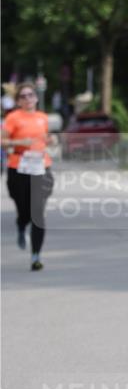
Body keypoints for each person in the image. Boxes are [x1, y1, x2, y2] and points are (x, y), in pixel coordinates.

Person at [1, 81, 55, 271]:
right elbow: (2, 141)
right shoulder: (13, 118)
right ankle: (21, 223)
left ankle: (36, 256)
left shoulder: (42, 117)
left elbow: (45, 138)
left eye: (30, 95)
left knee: (37, 213)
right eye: (23, 96)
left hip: (41, 166)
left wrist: (51, 139)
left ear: (36, 97)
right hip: (18, 168)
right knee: (24, 210)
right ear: (18, 100)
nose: (27, 99)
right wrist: (18, 141)